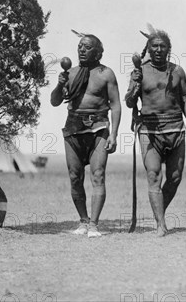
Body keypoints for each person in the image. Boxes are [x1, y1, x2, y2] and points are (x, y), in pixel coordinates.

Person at [125, 25, 186, 237]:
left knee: (175, 177)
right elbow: (130, 102)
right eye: (154, 46)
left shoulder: (177, 71)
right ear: (148, 48)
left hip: (175, 128)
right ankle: (160, 224)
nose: (158, 49)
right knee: (153, 175)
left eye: (162, 46)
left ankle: (159, 211)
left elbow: (185, 99)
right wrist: (135, 85)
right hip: (149, 131)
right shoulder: (139, 72)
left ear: (169, 49)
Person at [50, 34, 121, 238]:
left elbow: (115, 105)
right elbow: (55, 101)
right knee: (75, 177)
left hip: (98, 128)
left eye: (87, 47)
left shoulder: (106, 74)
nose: (81, 49)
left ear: (97, 52)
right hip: (73, 128)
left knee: (98, 174)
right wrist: (59, 84)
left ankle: (94, 225)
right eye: (80, 46)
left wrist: (114, 135)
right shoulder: (70, 74)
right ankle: (83, 220)